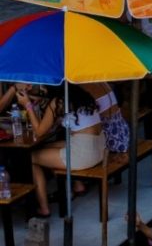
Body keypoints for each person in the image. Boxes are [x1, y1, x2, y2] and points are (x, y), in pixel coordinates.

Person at [25, 85, 104, 218]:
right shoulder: (81, 96)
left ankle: (44, 208)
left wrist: (28, 105)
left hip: (83, 154)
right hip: (99, 149)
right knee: (45, 148)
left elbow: (39, 132)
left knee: (29, 157)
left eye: (43, 87)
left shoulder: (58, 102)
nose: (42, 90)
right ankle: (77, 186)